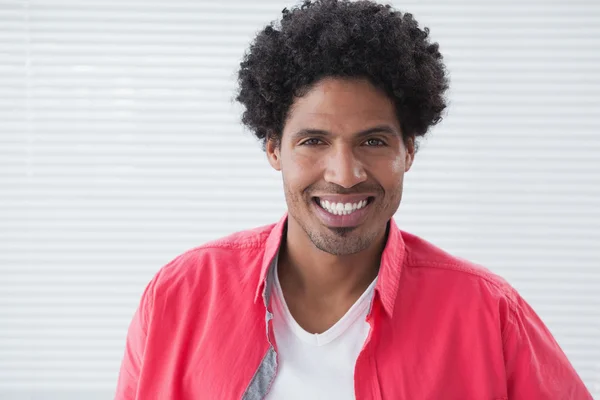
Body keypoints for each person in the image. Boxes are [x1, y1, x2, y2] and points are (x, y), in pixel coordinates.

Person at [115, 1, 593, 399]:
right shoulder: (177, 298)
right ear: (273, 148)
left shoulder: (488, 314)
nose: (344, 175)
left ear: (408, 149)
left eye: (372, 142)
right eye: (314, 141)